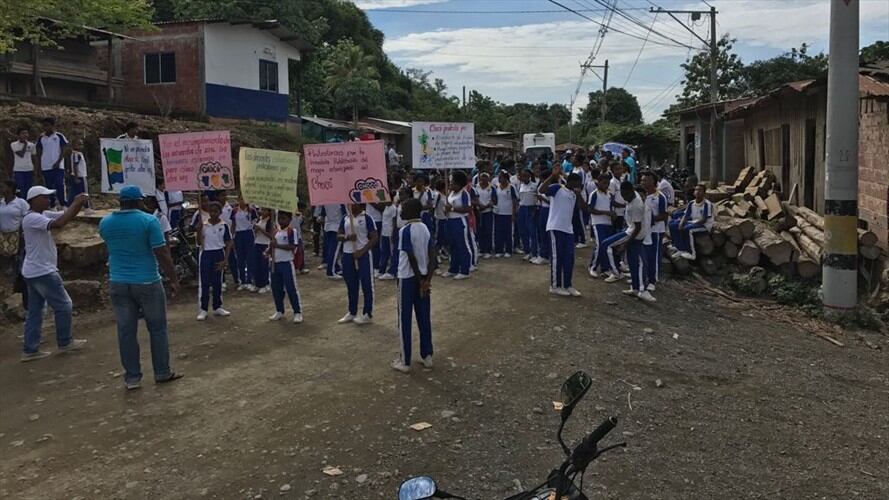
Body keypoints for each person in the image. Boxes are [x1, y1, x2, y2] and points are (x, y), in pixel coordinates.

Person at [98, 186, 182, 389]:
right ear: (138, 201)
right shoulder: (148, 221)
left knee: (126, 330)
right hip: (147, 281)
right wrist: (173, 278)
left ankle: (132, 378)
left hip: (118, 281)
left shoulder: (106, 222)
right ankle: (161, 372)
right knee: (157, 328)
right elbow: (162, 252)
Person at [20, 187, 88, 361]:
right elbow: (59, 223)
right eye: (44, 197)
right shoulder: (32, 218)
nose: (48, 199)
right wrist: (76, 202)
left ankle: (30, 349)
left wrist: (78, 204)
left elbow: (66, 215)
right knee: (64, 305)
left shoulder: (41, 214)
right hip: (42, 270)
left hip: (33, 270)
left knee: (35, 311)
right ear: (34, 199)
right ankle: (65, 341)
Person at [392, 198, 436, 373]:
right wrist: (427, 280)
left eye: (403, 209)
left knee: (405, 319)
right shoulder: (424, 228)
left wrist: (419, 279)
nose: (401, 212)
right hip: (423, 277)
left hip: (407, 278)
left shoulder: (405, 230)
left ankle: (405, 360)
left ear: (410, 212)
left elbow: (410, 256)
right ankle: (427, 355)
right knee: (423, 316)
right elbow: (432, 253)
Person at [539, 167, 583, 297]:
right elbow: (542, 190)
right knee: (557, 257)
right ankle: (555, 285)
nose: (579, 185)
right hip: (555, 227)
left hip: (568, 229)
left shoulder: (573, 194)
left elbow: (581, 207)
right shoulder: (558, 188)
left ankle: (568, 285)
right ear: (572, 182)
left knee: (569, 258)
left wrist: (579, 195)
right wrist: (552, 176)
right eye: (578, 183)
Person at [613, 183, 655, 303]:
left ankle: (643, 289)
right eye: (622, 195)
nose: (624, 197)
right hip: (632, 232)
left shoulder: (637, 205)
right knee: (632, 262)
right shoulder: (631, 198)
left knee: (641, 263)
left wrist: (625, 244)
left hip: (637, 236)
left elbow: (638, 227)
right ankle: (635, 288)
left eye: (625, 195)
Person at [337, 204, 378, 324]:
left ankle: (367, 313)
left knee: (366, 283)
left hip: (363, 255)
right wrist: (347, 237)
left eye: (352, 203)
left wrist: (362, 251)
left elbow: (374, 237)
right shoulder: (345, 218)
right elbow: (338, 235)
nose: (350, 205)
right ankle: (352, 312)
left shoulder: (367, 218)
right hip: (348, 254)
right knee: (351, 284)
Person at [195, 202, 232, 321]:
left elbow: (228, 242)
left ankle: (217, 306)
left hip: (218, 253)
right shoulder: (204, 225)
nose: (213, 214)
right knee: (204, 282)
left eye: (216, 211)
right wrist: (199, 230)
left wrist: (225, 259)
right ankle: (203, 309)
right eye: (211, 211)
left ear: (220, 212)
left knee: (217, 282)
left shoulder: (224, 225)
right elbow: (199, 243)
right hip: (206, 253)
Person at [268, 210, 304, 323]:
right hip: (275, 263)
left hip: (286, 263)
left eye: (283, 218)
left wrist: (277, 245)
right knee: (276, 288)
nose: (281, 221)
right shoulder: (275, 232)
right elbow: (272, 246)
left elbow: (293, 247)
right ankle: (279, 310)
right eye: (279, 218)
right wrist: (268, 251)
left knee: (291, 288)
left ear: (289, 219)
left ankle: (297, 312)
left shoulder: (291, 231)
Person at [0, 180, 30, 309]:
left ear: (11, 188)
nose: (1, 188)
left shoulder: (21, 203)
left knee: (18, 261)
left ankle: (19, 287)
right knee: (6, 260)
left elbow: (27, 217)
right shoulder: (1, 203)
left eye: (3, 186)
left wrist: (22, 232)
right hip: (3, 236)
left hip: (17, 235)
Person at [671, 184, 715, 260]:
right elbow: (686, 215)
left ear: (704, 193)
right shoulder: (691, 203)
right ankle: (680, 248)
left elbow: (703, 220)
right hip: (693, 222)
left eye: (700, 190)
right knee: (673, 224)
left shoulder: (707, 204)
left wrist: (689, 223)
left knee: (688, 229)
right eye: (696, 190)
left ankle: (692, 253)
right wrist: (681, 222)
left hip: (704, 226)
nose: (697, 192)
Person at [444, 171, 472, 279]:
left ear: (459, 184)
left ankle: (465, 270)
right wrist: (446, 210)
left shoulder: (464, 193)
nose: (450, 184)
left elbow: (467, 208)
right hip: (450, 221)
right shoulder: (450, 193)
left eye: (453, 183)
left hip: (460, 221)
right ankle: (453, 268)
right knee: (453, 246)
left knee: (462, 245)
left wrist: (452, 208)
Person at [642, 173, 668, 292]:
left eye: (646, 180)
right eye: (642, 180)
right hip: (644, 230)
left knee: (654, 255)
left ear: (653, 182)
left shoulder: (660, 197)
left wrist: (650, 219)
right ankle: (644, 276)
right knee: (644, 255)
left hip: (656, 230)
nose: (643, 182)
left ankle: (653, 280)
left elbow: (663, 215)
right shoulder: (643, 196)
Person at [35, 118, 68, 208]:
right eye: (44, 125)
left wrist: (58, 161)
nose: (45, 127)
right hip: (46, 166)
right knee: (49, 186)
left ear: (52, 126)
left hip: (58, 166)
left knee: (59, 184)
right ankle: (52, 204)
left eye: (47, 125)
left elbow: (63, 150)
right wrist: (38, 167)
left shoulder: (59, 136)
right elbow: (38, 153)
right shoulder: (41, 138)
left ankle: (63, 204)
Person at [587, 174, 616, 278]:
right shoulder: (594, 194)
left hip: (608, 223)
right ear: (598, 182)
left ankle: (605, 268)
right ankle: (593, 267)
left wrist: (612, 215)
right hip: (598, 222)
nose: (606, 185)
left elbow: (611, 207)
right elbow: (590, 209)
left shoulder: (609, 194)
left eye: (607, 183)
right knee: (600, 245)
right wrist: (605, 212)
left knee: (606, 246)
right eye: (604, 183)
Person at [231, 198, 258, 291]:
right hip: (238, 234)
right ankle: (242, 281)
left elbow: (255, 223)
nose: (242, 201)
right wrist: (232, 237)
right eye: (241, 199)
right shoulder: (234, 211)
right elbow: (233, 224)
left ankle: (249, 280)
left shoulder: (251, 211)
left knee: (250, 257)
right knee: (240, 258)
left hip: (248, 233)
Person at [517, 169, 542, 264]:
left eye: (526, 176)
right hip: (522, 208)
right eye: (522, 176)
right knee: (523, 231)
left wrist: (535, 209)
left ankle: (534, 253)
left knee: (532, 232)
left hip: (531, 208)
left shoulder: (534, 186)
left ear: (529, 176)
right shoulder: (520, 186)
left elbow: (538, 198)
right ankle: (527, 251)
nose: (524, 178)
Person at [491, 170, 517, 258]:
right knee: (498, 232)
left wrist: (513, 214)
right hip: (498, 213)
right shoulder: (496, 187)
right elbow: (494, 199)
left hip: (508, 213)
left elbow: (514, 201)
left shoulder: (511, 187)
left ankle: (508, 250)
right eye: (499, 177)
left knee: (508, 232)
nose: (499, 179)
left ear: (506, 178)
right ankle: (499, 250)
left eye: (501, 177)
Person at [252, 207, 275, 293]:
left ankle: (265, 284)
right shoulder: (259, 219)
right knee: (256, 264)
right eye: (262, 210)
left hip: (265, 244)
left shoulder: (270, 222)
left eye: (265, 210)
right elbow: (255, 232)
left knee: (264, 265)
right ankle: (257, 284)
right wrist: (255, 229)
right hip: (257, 243)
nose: (262, 212)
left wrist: (261, 229)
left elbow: (271, 236)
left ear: (269, 212)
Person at [320, 203, 346, 279]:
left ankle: (336, 268)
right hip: (337, 227)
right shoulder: (340, 202)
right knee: (334, 251)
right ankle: (331, 271)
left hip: (328, 226)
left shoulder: (326, 202)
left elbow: (323, 213)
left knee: (330, 249)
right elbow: (344, 214)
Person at [10, 127, 36, 197]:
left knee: (29, 188)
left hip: (29, 169)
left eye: (26, 133)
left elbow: (34, 157)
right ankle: (22, 201)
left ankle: (28, 202)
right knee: (20, 188)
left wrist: (35, 169)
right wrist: (25, 145)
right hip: (18, 170)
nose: (25, 135)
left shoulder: (32, 145)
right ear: (18, 135)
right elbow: (21, 154)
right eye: (23, 133)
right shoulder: (14, 144)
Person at [474, 173, 494, 258]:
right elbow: (474, 198)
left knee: (488, 231)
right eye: (482, 178)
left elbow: (494, 199)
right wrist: (479, 206)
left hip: (488, 211)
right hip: (478, 212)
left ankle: (488, 250)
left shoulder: (492, 187)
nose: (483, 180)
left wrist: (486, 206)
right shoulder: (476, 187)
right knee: (480, 231)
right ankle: (481, 249)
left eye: (486, 178)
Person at [378, 199, 397, 280]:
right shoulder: (386, 207)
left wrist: (393, 233)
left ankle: (392, 271)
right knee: (384, 251)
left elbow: (394, 222)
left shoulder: (393, 208)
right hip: (384, 232)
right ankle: (382, 270)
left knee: (392, 253)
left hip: (389, 233)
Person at [65, 138, 89, 206]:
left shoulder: (77, 154)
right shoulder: (76, 154)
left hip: (76, 176)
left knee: (74, 192)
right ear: (73, 145)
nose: (81, 146)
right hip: (80, 176)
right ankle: (87, 206)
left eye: (81, 144)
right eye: (79, 144)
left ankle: (69, 205)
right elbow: (75, 166)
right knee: (84, 191)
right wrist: (76, 177)